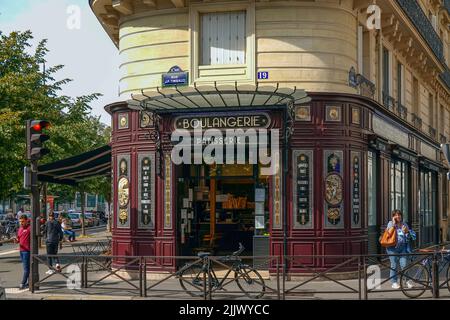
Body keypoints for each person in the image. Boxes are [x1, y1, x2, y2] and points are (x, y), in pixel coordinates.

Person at [385, 210, 415, 289]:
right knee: (394, 265)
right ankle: (394, 282)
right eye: (396, 215)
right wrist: (394, 225)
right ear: (393, 216)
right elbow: (388, 234)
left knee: (404, 265)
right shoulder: (390, 223)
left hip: (402, 248)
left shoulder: (404, 224)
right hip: (392, 248)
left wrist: (407, 232)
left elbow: (409, 237)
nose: (398, 216)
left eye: (399, 215)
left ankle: (407, 281)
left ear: (401, 216)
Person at [15, 215, 30, 290]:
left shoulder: (29, 228)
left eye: (23, 221)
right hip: (21, 250)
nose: (21, 223)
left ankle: (23, 283)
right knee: (26, 267)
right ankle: (29, 282)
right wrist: (16, 240)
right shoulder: (20, 229)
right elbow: (18, 238)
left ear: (27, 221)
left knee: (26, 268)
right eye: (20, 221)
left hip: (27, 251)